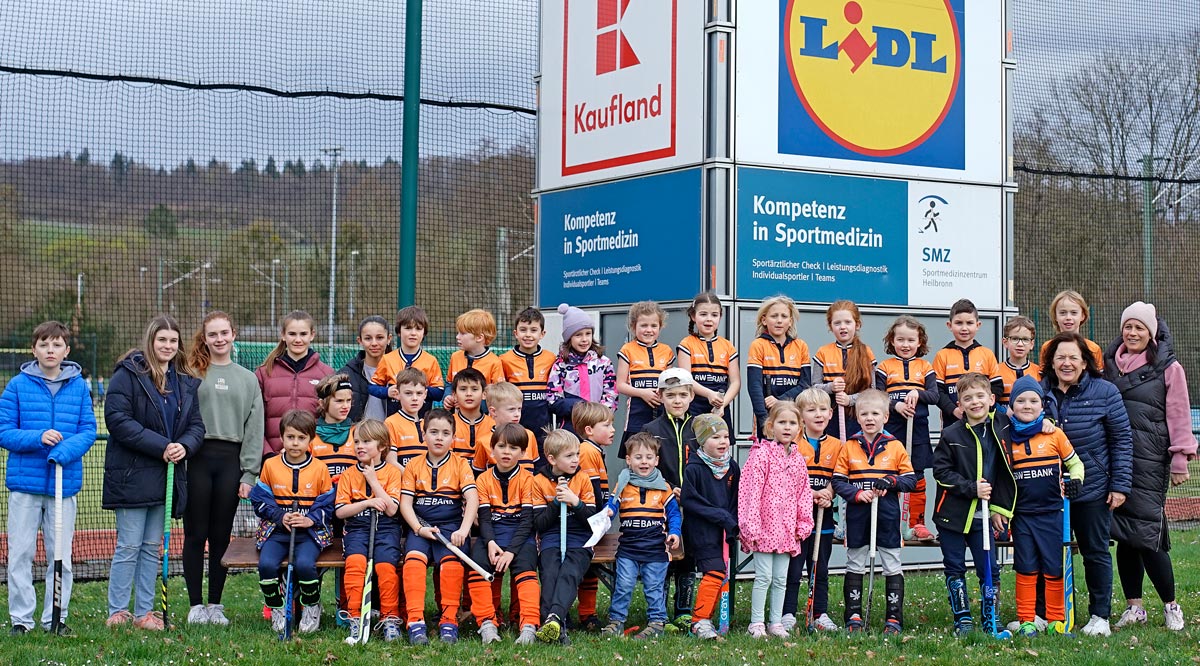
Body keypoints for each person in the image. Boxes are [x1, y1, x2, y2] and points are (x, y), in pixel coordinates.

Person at [103, 315, 206, 630]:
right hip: (132, 475)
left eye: (173, 340)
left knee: (151, 547)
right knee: (129, 545)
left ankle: (144, 613)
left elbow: (196, 426)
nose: (168, 346)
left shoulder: (183, 382)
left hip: (166, 477)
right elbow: (118, 420)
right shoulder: (128, 374)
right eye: (162, 339)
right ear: (151, 340)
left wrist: (183, 447)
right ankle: (118, 612)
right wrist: (162, 446)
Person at [1103, 303, 1197, 631]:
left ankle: (1171, 606)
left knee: (1147, 533)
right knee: (1124, 534)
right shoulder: (1109, 364)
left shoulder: (1169, 368)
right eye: (1127, 326)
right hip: (1116, 459)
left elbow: (1179, 413)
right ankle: (1135, 607)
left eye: (1139, 328)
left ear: (1151, 333)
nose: (1132, 333)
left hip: (1150, 459)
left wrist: (1181, 457)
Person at [1, 320, 97, 635]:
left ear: (66, 350)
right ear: (34, 350)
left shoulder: (79, 387)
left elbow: (88, 430)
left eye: (56, 345)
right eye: (44, 344)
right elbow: (4, 431)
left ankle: (56, 617)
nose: (50, 350)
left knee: (61, 556)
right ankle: (21, 619)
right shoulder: (17, 386)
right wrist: (38, 437)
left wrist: (63, 452)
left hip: (63, 486)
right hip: (25, 486)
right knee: (20, 553)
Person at [1041, 331, 1132, 637]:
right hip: (1047, 491)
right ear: (1051, 362)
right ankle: (1046, 613)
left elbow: (1122, 440)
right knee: (1047, 553)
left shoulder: (1105, 392)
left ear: (1084, 362)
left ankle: (1099, 616)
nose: (1066, 363)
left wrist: (1119, 485)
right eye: (1060, 358)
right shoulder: (1039, 391)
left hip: (1093, 488)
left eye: (1073, 358)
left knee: (1095, 552)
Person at [183, 312, 264, 626]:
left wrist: (249, 473)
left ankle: (215, 605)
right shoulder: (191, 372)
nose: (219, 339)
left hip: (230, 462)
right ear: (204, 338)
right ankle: (195, 606)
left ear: (233, 334)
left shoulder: (248, 379)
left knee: (220, 536)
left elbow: (254, 429)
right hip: (196, 459)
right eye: (212, 334)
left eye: (224, 333)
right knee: (195, 534)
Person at [398, 408, 497, 645]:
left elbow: (472, 499)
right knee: (413, 563)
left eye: (445, 433)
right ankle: (415, 621)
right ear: (424, 435)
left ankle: (449, 621)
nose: (439, 438)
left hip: (451, 528)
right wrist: (418, 529)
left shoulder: (460, 464)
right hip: (421, 529)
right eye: (433, 432)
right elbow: (405, 504)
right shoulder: (413, 465)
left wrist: (463, 529)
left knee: (451, 566)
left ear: (453, 437)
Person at [931, 372, 1018, 636]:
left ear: (992, 399)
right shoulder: (950, 433)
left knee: (989, 567)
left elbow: (1029, 423)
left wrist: (999, 508)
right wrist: (971, 488)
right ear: (960, 405)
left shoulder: (1002, 425)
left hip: (984, 516)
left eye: (980, 396)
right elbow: (941, 472)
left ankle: (991, 616)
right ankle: (963, 619)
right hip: (952, 515)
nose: (975, 402)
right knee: (954, 566)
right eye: (968, 398)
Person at [1003, 375, 1085, 636]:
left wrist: (1077, 480)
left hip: (1053, 514)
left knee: (1053, 568)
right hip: (1022, 516)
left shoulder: (1054, 433)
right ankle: (1026, 620)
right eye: (1021, 401)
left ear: (1042, 405)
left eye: (1033, 401)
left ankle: (1056, 620)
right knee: (1026, 568)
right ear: (1011, 405)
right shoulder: (1005, 436)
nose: (1027, 406)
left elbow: (1075, 463)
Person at [833, 389, 916, 634]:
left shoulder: (896, 446)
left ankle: (894, 619)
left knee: (892, 563)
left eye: (875, 414)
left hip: (887, 515)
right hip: (858, 516)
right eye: (864, 414)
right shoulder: (849, 446)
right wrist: (857, 494)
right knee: (855, 562)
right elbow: (838, 481)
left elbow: (910, 480)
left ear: (886, 417)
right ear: (857, 417)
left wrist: (891, 481)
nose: (869, 418)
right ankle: (853, 616)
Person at [249, 410, 334, 634]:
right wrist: (280, 516)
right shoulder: (270, 466)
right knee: (266, 565)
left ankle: (311, 606)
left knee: (305, 565)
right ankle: (277, 607)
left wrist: (309, 520)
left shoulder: (320, 468)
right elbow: (259, 500)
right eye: (290, 437)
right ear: (282, 437)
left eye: (301, 438)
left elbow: (328, 504)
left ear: (311, 439)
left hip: (309, 534)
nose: (295, 443)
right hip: (277, 532)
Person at [738, 400, 814, 638]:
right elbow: (750, 491)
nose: (787, 427)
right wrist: (751, 525)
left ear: (799, 428)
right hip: (763, 528)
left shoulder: (798, 459)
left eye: (792, 423)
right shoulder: (761, 455)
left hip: (786, 530)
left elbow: (804, 493)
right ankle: (756, 622)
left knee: (781, 578)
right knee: (764, 577)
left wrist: (803, 523)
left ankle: (776, 622)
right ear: (771, 426)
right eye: (782, 422)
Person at [599, 432, 682, 639]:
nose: (644, 462)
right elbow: (612, 504)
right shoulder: (623, 484)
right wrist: (609, 511)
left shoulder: (664, 487)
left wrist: (674, 532)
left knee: (654, 587)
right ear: (628, 460)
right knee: (623, 585)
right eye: (638, 457)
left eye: (648, 457)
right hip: (628, 547)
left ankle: (657, 622)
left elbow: (673, 514)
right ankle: (616, 621)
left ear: (656, 460)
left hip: (655, 548)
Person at [334, 418, 404, 643]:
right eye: (356, 442)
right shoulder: (347, 475)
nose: (360, 446)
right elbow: (340, 511)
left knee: (385, 569)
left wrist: (374, 482)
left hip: (386, 529)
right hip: (357, 529)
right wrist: (367, 503)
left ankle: (390, 618)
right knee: (355, 565)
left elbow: (392, 509)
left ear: (382, 445)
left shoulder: (392, 473)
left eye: (366, 441)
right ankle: (355, 617)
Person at [474, 423, 543, 645]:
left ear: (523, 453)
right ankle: (487, 623)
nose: (506, 452)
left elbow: (527, 522)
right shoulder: (483, 479)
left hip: (520, 537)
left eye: (513, 448)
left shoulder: (529, 480)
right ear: (492, 449)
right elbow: (484, 519)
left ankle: (529, 625)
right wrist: (490, 542)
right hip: (492, 535)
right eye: (501, 446)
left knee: (526, 569)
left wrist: (511, 552)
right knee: (478, 567)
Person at [641, 367, 699, 625]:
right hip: (662, 503)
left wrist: (692, 491)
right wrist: (667, 487)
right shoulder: (650, 428)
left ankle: (684, 611)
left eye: (683, 395)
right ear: (661, 396)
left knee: (689, 556)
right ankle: (659, 612)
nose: (677, 401)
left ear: (691, 396)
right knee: (664, 554)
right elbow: (642, 466)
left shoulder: (699, 426)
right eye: (671, 395)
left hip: (694, 504)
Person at [782, 388, 843, 632]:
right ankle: (787, 612)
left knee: (820, 568)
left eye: (822, 410)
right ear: (800, 416)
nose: (818, 414)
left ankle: (820, 612)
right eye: (811, 410)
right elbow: (786, 479)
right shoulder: (792, 444)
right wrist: (811, 494)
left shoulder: (838, 445)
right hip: (796, 517)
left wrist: (829, 492)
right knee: (794, 568)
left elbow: (840, 475)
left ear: (830, 413)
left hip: (823, 515)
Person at [531, 429, 598, 644]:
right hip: (551, 537)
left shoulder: (583, 479)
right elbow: (540, 523)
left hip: (580, 537)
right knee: (550, 574)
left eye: (577, 454)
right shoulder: (538, 481)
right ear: (552, 459)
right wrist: (556, 502)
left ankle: (553, 620)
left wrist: (575, 502)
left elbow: (591, 520)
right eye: (569, 456)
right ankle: (554, 624)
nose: (575, 460)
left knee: (569, 571)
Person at [875, 315, 938, 541]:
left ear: (919, 342)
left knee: (917, 474)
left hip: (918, 430)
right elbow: (878, 397)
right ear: (892, 341)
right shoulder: (884, 367)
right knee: (891, 474)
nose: (905, 344)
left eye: (911, 340)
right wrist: (896, 405)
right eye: (900, 339)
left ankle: (917, 523)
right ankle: (891, 522)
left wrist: (917, 393)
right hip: (892, 430)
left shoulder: (925, 367)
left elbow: (934, 396)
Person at [681, 414, 740, 640]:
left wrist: (732, 522)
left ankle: (709, 616)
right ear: (702, 441)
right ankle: (699, 621)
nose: (723, 441)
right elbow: (690, 500)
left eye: (725, 436)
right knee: (714, 571)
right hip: (701, 530)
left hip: (723, 531)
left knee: (720, 572)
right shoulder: (694, 468)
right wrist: (720, 516)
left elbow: (735, 499)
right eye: (715, 437)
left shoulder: (731, 467)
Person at [255, 310, 334, 457]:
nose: (298, 339)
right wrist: (269, 455)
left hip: (314, 459)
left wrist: (310, 450)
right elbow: (255, 421)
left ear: (312, 335)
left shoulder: (326, 374)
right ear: (283, 335)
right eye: (292, 334)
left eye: (303, 334)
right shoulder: (264, 373)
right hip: (273, 459)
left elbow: (331, 420)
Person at [572, 400, 616, 630]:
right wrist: (601, 515)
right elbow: (591, 491)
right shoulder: (587, 451)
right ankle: (584, 614)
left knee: (590, 570)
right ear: (589, 430)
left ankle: (588, 614)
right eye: (606, 425)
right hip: (586, 524)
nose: (612, 430)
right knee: (583, 568)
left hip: (593, 524)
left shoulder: (595, 450)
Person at [745, 295, 811, 437]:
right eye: (774, 316)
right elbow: (754, 387)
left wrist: (780, 401)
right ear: (764, 320)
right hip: (768, 417)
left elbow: (805, 384)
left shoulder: (801, 346)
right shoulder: (758, 345)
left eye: (784, 316)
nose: (779, 320)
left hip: (794, 417)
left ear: (790, 321)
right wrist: (764, 420)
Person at [676, 291, 741, 431]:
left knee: (721, 442)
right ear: (693, 316)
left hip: (720, 408)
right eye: (703, 314)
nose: (709, 319)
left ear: (720, 317)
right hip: (694, 406)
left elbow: (736, 382)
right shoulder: (686, 344)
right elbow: (686, 380)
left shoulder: (728, 346)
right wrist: (709, 394)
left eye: (714, 315)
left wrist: (722, 404)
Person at [933, 299, 1003, 427]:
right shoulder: (942, 355)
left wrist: (982, 408)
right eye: (959, 323)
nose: (964, 328)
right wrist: (954, 410)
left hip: (983, 421)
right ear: (949, 325)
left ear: (978, 325)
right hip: (952, 422)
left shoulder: (987, 354)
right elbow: (937, 391)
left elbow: (997, 387)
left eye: (969, 323)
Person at [547, 303, 618, 427]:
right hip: (570, 426)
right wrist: (580, 408)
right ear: (569, 338)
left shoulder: (604, 363)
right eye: (578, 335)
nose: (584, 339)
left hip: (598, 424)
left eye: (588, 333)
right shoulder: (560, 365)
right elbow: (552, 399)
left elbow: (611, 393)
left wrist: (598, 415)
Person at [616, 300, 675, 448]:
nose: (649, 330)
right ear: (633, 326)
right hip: (637, 412)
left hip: (662, 411)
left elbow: (670, 383)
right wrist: (643, 393)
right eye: (643, 325)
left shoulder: (667, 350)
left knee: (661, 452)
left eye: (654, 326)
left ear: (660, 327)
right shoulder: (627, 350)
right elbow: (620, 385)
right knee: (636, 451)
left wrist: (663, 392)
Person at [814, 300, 876, 439]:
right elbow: (814, 387)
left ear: (857, 324)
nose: (843, 327)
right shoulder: (823, 352)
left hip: (859, 415)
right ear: (830, 326)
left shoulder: (867, 352)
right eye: (837, 323)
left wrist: (850, 400)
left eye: (848, 322)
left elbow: (872, 391)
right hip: (829, 416)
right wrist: (830, 387)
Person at [371, 305, 444, 415]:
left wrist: (417, 390)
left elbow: (439, 393)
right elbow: (372, 387)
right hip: (394, 420)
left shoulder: (430, 361)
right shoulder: (388, 359)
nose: (413, 333)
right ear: (399, 331)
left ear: (424, 333)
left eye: (418, 329)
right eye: (408, 328)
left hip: (423, 420)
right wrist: (387, 391)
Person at [500, 307, 554, 448]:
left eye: (533, 330)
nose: (528, 335)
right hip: (515, 428)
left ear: (542, 334)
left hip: (544, 428)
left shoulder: (551, 359)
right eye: (523, 330)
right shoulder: (504, 360)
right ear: (515, 333)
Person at [472, 381, 540, 473]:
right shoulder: (483, 442)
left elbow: (537, 469)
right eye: (511, 409)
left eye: (519, 409)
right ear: (493, 411)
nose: (517, 414)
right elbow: (478, 475)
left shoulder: (529, 435)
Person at [443, 309, 505, 409]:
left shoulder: (494, 362)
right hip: (456, 416)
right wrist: (447, 397)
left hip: (482, 416)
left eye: (463, 333)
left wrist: (470, 403)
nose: (457, 337)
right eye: (458, 333)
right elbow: (449, 384)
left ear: (479, 337)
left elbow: (497, 396)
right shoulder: (455, 357)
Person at [341, 315, 393, 422]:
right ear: (360, 341)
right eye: (368, 338)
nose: (374, 343)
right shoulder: (345, 375)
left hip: (391, 432)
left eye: (379, 338)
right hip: (357, 432)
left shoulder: (400, 371)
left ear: (389, 339)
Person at [1040, 290, 1104, 369]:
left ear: (1082, 316)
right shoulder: (1047, 347)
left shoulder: (1093, 349)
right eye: (1063, 313)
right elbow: (1043, 374)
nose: (1068, 317)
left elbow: (1097, 375)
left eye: (1074, 313)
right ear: (1055, 316)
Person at [384, 368, 429, 470]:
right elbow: (391, 461)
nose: (414, 398)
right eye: (408, 393)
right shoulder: (391, 423)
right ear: (397, 394)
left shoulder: (429, 423)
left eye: (419, 393)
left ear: (425, 394)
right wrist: (410, 477)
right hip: (403, 479)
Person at [449, 368, 495, 461]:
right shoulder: (448, 424)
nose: (469, 394)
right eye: (463, 389)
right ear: (454, 395)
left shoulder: (494, 425)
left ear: (484, 394)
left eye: (474, 389)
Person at [997, 316, 1041, 407]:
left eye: (1025, 339)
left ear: (1032, 344)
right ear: (1005, 342)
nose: (1020, 344)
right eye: (1015, 339)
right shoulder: (995, 371)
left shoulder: (1039, 372)